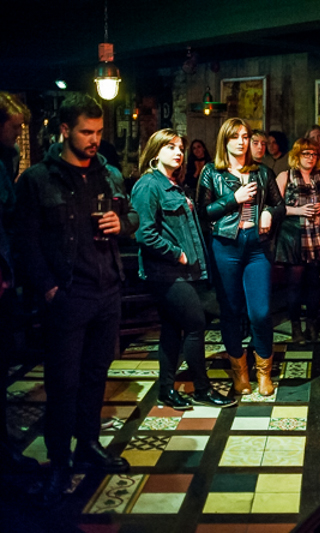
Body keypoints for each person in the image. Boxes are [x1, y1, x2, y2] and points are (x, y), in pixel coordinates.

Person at [15, 94, 139, 503]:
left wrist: (121, 223)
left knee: (94, 378)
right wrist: (49, 288)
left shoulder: (108, 173)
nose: (95, 140)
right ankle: (59, 461)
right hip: (67, 295)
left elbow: (134, 218)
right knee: (62, 385)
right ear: (65, 130)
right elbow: (25, 243)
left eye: (100, 132)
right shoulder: (38, 179)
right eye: (87, 132)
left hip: (107, 292)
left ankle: (87, 445)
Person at [131, 129, 236, 410]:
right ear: (155, 152)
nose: (178, 152)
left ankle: (166, 390)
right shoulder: (148, 185)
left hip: (182, 272)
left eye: (180, 147)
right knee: (195, 324)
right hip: (166, 273)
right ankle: (202, 389)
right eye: (170, 147)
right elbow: (144, 233)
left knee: (171, 328)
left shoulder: (173, 184)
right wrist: (177, 254)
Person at [197, 118, 285, 397]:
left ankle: (264, 372)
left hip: (257, 248)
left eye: (245, 136)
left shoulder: (262, 172)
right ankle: (240, 372)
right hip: (226, 247)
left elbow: (279, 204)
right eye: (234, 136)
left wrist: (270, 213)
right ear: (225, 141)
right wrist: (233, 198)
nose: (241, 141)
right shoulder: (212, 172)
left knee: (260, 312)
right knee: (231, 312)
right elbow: (203, 212)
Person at [0, 92, 39, 473]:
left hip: (8, 271)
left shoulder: (7, 159)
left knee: (7, 358)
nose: (18, 135)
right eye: (14, 128)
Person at [275, 138, 320, 343]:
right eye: (306, 154)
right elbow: (275, 207)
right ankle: (296, 329)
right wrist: (298, 210)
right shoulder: (286, 176)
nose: (310, 158)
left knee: (314, 283)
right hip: (293, 236)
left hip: (317, 236)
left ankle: (312, 327)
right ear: (297, 156)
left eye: (313, 154)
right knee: (294, 285)